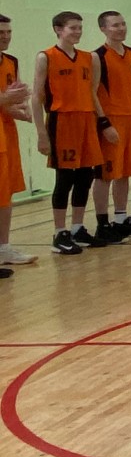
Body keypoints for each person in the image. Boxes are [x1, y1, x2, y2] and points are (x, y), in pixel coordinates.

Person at [32, 11, 117, 254]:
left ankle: (78, 228)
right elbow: (37, 97)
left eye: (80, 27)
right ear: (58, 29)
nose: (78, 32)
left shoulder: (89, 58)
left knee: (85, 177)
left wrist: (103, 122)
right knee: (65, 179)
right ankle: (60, 233)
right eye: (73, 28)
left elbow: (92, 93)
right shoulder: (46, 57)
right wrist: (41, 134)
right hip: (62, 121)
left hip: (86, 121)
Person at [91, 11, 131, 244]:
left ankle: (121, 219)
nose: (121, 28)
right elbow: (92, 92)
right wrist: (104, 123)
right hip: (112, 119)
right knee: (106, 175)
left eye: (123, 24)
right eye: (115, 25)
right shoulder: (97, 56)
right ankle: (102, 223)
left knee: (125, 173)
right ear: (103, 29)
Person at [0, 14, 34, 273]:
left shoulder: (11, 61)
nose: (5, 36)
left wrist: (23, 108)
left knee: (6, 192)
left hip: (7, 133)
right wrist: (7, 99)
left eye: (8, 32)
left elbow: (11, 102)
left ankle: (3, 247)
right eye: (1, 32)